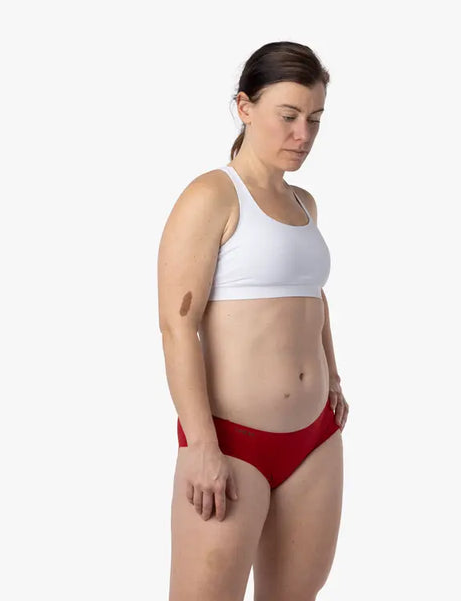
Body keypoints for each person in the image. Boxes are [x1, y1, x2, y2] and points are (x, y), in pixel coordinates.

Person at [157, 40, 349, 601]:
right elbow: (176, 328)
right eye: (287, 116)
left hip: (315, 440)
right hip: (232, 442)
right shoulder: (211, 196)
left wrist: (333, 377)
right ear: (244, 106)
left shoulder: (305, 203)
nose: (303, 135)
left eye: (314, 119)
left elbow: (313, 296)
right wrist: (201, 446)